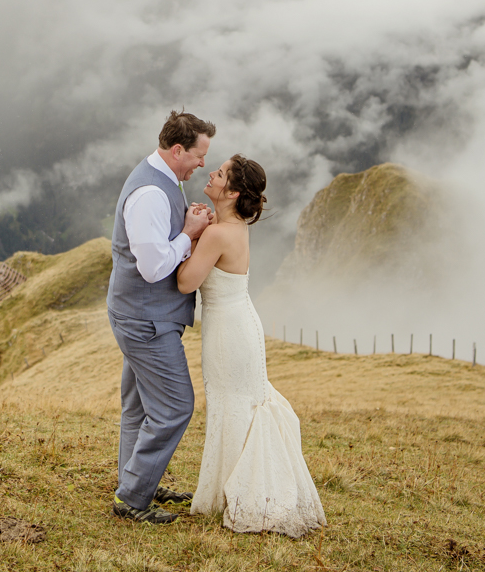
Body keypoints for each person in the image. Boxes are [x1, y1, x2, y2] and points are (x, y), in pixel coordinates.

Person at [176, 154, 326, 538]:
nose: (212, 173)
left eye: (220, 173)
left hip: (228, 330)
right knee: (244, 400)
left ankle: (243, 495)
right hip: (242, 321)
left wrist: (189, 235)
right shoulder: (235, 225)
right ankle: (241, 489)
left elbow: (185, 282)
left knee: (231, 403)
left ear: (233, 191)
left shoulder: (216, 233)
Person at [107, 110, 217, 524]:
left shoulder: (162, 179)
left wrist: (186, 226)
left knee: (137, 408)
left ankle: (136, 483)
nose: (202, 163)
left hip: (138, 313)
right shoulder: (151, 194)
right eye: (198, 155)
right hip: (146, 321)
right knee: (175, 406)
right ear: (177, 150)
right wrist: (188, 235)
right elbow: (153, 268)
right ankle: (133, 498)